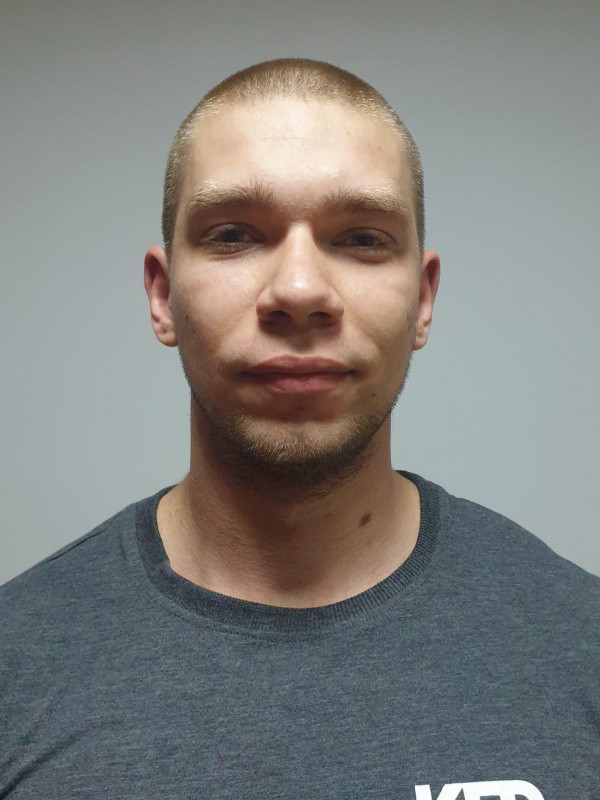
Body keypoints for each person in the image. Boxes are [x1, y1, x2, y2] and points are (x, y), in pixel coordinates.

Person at [1, 58, 598, 800]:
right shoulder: (16, 665)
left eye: (362, 239)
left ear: (422, 300)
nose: (299, 290)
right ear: (162, 295)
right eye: (232, 235)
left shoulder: (580, 646)